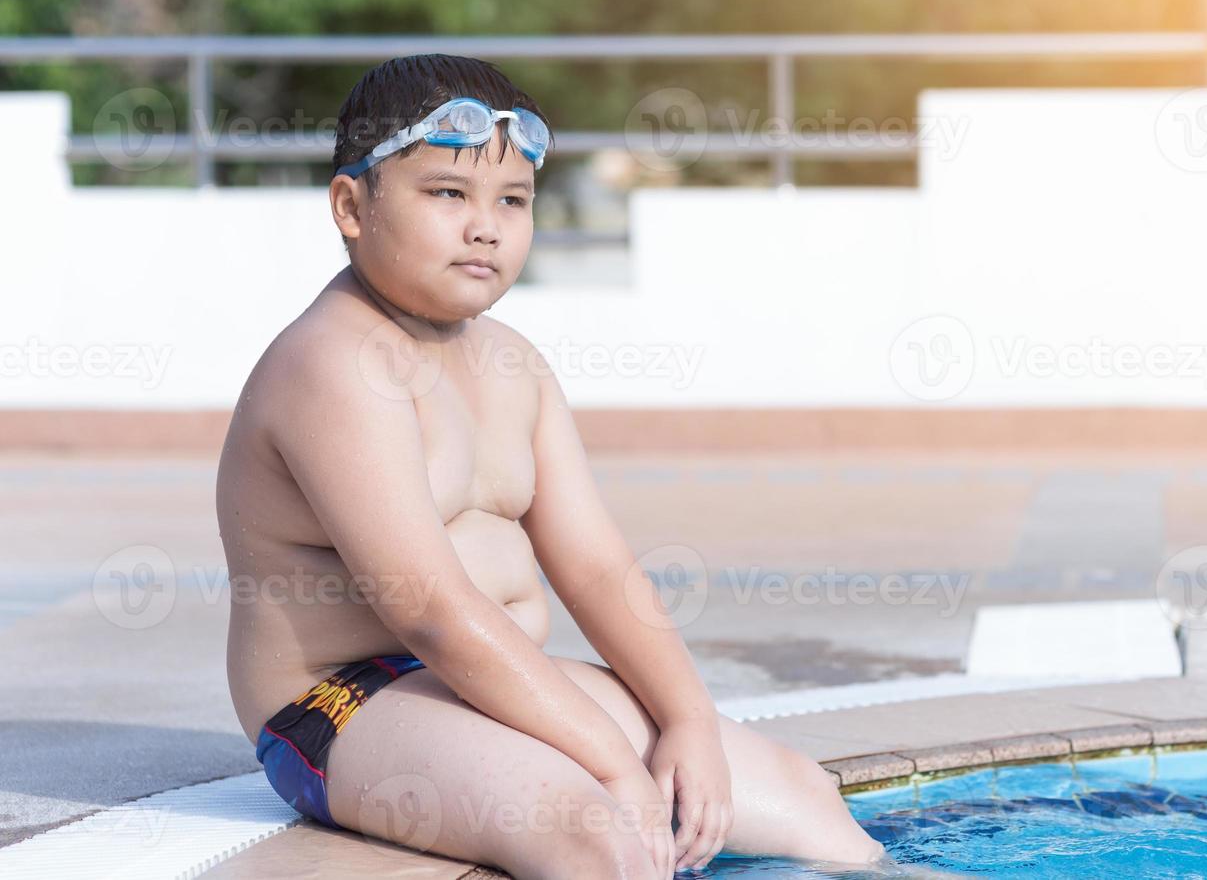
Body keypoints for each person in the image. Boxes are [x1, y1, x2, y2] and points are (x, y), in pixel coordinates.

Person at [216, 54, 891, 879]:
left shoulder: (514, 366)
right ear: (352, 207)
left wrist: (689, 719)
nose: (486, 227)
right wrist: (609, 760)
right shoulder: (334, 363)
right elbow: (426, 607)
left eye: (513, 200)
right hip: (342, 703)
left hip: (490, 682)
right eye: (447, 194)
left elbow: (598, 568)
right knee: (592, 829)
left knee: (799, 798)